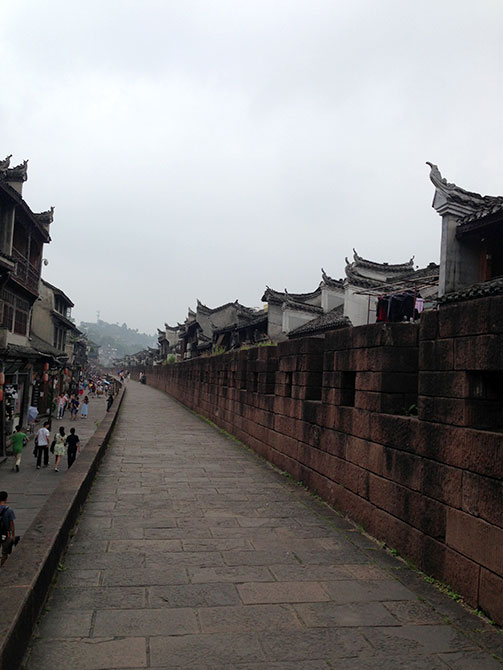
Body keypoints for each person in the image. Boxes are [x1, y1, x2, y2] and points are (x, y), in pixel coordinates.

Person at [0, 491, 16, 566]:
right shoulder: (9, 510)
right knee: (4, 553)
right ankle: (1, 566)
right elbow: (12, 524)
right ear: (6, 499)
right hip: (5, 534)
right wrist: (13, 535)